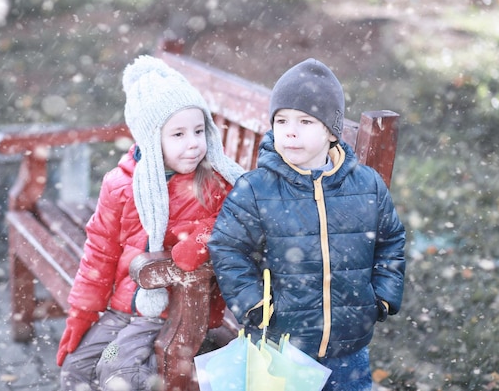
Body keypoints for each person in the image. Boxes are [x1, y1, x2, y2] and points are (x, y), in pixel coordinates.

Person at [208, 58, 406, 391]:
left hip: (350, 348)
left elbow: (390, 240)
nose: (291, 131)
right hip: (282, 346)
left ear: (332, 131)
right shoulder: (257, 189)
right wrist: (255, 303)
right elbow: (228, 246)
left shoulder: (366, 185)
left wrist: (382, 296)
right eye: (281, 120)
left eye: (305, 121)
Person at [58, 55, 244, 391]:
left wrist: (202, 238)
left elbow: (242, 217)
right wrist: (82, 312)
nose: (193, 142)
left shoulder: (213, 183)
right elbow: (99, 250)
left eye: (199, 130)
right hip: (122, 316)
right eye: (178, 134)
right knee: (78, 369)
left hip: (173, 313)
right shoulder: (120, 184)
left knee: (119, 374)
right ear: (150, 139)